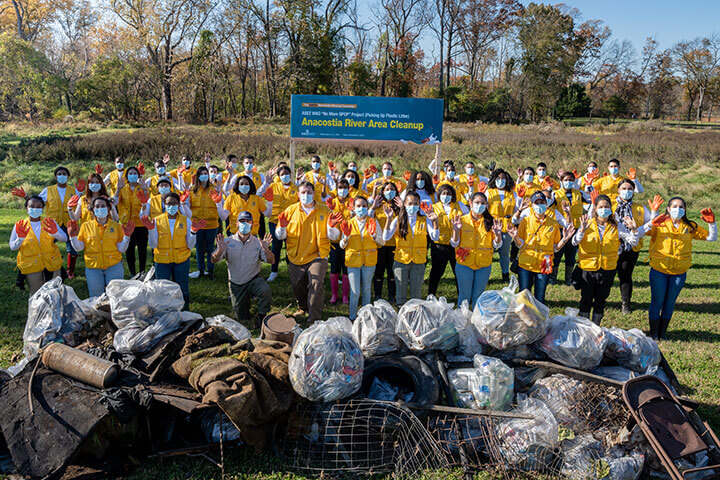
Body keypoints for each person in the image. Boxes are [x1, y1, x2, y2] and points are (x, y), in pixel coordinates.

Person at [640, 199, 716, 339]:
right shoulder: (659, 223)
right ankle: (653, 334)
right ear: (668, 208)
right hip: (659, 271)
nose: (678, 209)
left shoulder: (690, 226)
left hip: (679, 273)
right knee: (657, 302)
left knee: (669, 303)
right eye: (674, 206)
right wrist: (653, 215)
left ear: (685, 210)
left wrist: (712, 224)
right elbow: (640, 232)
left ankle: (663, 334)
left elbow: (711, 238)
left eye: (681, 207)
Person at [274, 181, 342, 321]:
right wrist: (281, 226)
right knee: (297, 286)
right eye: (303, 192)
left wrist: (331, 227)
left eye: (309, 192)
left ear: (314, 193)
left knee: (316, 283)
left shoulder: (325, 210)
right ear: (298, 194)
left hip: (318, 255)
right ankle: (303, 308)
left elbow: (334, 237)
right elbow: (280, 236)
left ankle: (314, 318)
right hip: (296, 256)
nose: (306, 195)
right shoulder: (290, 211)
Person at [573, 195, 638, 325]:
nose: (604, 209)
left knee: (601, 300)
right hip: (588, 268)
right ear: (595, 209)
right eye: (601, 207)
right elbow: (575, 242)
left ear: (611, 209)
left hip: (608, 269)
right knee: (586, 299)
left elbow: (633, 242)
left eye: (606, 207)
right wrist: (581, 230)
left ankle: (596, 327)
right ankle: (584, 327)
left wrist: (634, 229)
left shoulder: (616, 226)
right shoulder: (588, 224)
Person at [508, 191, 575, 304]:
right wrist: (515, 238)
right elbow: (520, 244)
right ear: (532, 205)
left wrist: (565, 239)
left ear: (546, 203)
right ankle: (524, 320)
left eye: (542, 202)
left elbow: (556, 248)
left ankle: (538, 320)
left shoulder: (553, 223)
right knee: (523, 297)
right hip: (526, 264)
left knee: (540, 298)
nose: (539, 205)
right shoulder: (525, 221)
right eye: (536, 203)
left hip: (544, 265)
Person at [143, 193, 206, 310]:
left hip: (181, 260)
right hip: (162, 261)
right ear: (164, 205)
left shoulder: (186, 220)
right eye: (168, 204)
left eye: (174, 203)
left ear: (178, 204)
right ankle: (164, 312)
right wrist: (151, 230)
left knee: (182, 288)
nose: (171, 206)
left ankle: (184, 311)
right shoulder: (157, 221)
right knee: (162, 289)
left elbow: (190, 244)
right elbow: (153, 244)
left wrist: (193, 232)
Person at [211, 211, 274, 328]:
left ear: (252, 224)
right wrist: (219, 250)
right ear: (237, 224)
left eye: (248, 221)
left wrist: (266, 249)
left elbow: (272, 261)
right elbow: (213, 260)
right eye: (242, 221)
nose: (245, 224)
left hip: (253, 279)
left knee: (265, 290)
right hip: (236, 283)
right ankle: (246, 301)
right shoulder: (228, 242)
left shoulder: (258, 243)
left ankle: (262, 315)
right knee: (241, 317)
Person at [382, 191, 439, 305]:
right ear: (404, 205)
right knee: (401, 293)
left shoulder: (424, 220)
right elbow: (386, 237)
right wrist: (388, 219)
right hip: (401, 260)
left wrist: (435, 222)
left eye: (415, 204)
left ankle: (415, 318)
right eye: (410, 204)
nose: (412, 206)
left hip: (418, 261)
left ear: (419, 205)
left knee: (416, 294)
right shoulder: (398, 219)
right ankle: (401, 316)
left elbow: (435, 236)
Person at [69, 197, 133, 297]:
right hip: (93, 267)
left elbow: (122, 249)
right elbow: (79, 248)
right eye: (97, 206)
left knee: (116, 296)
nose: (100, 208)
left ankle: (114, 313)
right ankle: (98, 313)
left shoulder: (116, 226)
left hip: (114, 266)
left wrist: (127, 237)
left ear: (108, 208)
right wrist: (72, 237)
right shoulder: (85, 226)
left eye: (103, 206)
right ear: (92, 209)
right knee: (96, 297)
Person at [451, 192, 503, 307]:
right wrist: (455, 230)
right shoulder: (462, 220)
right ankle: (462, 321)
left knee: (478, 296)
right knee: (464, 295)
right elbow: (454, 243)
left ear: (487, 205)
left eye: (483, 203)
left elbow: (497, 245)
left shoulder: (491, 222)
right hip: (465, 263)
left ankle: (476, 320)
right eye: (477, 202)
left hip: (483, 264)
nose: (479, 205)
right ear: (470, 203)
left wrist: (498, 234)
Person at [615, 180, 659, 313]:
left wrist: (654, 212)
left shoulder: (640, 208)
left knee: (625, 275)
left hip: (632, 247)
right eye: (624, 188)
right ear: (618, 190)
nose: (627, 191)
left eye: (630, 188)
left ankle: (626, 303)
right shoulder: (610, 205)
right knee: (606, 275)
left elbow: (651, 223)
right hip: (611, 246)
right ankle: (599, 300)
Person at [33, 166, 84, 278]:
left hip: (69, 222)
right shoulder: (48, 190)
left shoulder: (73, 190)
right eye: (59, 174)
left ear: (67, 176)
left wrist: (80, 192)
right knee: (47, 245)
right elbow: (37, 201)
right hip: (53, 224)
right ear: (56, 176)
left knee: (72, 247)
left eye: (64, 174)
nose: (62, 176)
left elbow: (82, 202)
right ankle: (47, 266)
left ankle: (70, 271)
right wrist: (26, 197)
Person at [339, 197, 385, 319]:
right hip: (353, 261)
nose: (361, 209)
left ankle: (365, 317)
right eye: (358, 206)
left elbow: (382, 242)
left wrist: (374, 235)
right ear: (353, 208)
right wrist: (346, 238)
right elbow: (342, 245)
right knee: (355, 292)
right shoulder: (348, 223)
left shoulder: (373, 222)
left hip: (369, 261)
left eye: (364, 206)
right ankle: (352, 316)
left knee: (366, 289)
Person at [10, 195, 66, 295]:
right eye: (32, 206)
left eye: (38, 207)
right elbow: (12, 247)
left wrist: (55, 233)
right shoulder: (20, 224)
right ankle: (36, 311)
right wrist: (20, 239)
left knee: (55, 293)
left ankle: (55, 311)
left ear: (43, 208)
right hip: (31, 265)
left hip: (52, 263)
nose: (35, 209)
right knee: (36, 294)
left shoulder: (49, 222)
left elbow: (64, 238)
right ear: (26, 208)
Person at [429, 183, 467, 296]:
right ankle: (431, 295)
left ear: (453, 195)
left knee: (459, 273)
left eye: (448, 194)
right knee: (436, 272)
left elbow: (468, 219)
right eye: (444, 193)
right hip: (439, 245)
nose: (446, 196)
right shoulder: (434, 207)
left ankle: (462, 296)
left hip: (456, 245)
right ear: (439, 195)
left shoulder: (460, 206)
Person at [187, 166, 224, 279]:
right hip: (197, 224)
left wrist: (219, 194)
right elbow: (188, 206)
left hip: (211, 224)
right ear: (198, 176)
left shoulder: (214, 189)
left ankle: (211, 269)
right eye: (201, 173)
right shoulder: (193, 190)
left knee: (210, 248)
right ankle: (201, 270)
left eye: (205, 173)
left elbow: (220, 204)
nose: (204, 175)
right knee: (199, 248)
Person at [551, 171, 587, 285]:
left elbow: (592, 201)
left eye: (571, 180)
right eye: (566, 180)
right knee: (557, 253)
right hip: (560, 228)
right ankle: (553, 277)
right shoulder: (555, 194)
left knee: (571, 254)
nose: (568, 182)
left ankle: (569, 278)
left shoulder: (579, 193)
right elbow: (548, 205)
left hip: (575, 228)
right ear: (561, 181)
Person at [370, 181, 401, 301]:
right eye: (387, 189)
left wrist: (402, 207)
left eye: (392, 189)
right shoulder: (378, 206)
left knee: (391, 271)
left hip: (394, 244)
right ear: (382, 192)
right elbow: (368, 217)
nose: (389, 192)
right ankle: (377, 294)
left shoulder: (398, 207)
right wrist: (373, 206)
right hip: (380, 244)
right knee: (379, 270)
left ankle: (391, 295)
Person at [267, 165, 298, 282]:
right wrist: (266, 183)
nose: (285, 176)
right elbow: (259, 194)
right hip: (275, 221)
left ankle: (292, 271)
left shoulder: (295, 188)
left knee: (290, 246)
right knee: (276, 246)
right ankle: (274, 271)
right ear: (278, 177)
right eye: (282, 174)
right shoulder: (273, 186)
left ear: (290, 174)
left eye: (287, 173)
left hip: (291, 222)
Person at [116, 166, 149, 276]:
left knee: (142, 249)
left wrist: (145, 189)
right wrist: (118, 189)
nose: (133, 175)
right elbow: (115, 202)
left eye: (135, 173)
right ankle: (132, 273)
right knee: (129, 250)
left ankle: (142, 271)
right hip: (127, 224)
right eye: (130, 173)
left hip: (141, 224)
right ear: (127, 176)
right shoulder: (123, 189)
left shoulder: (142, 187)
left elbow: (147, 202)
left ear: (138, 176)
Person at [326, 178, 353, 304]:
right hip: (335, 241)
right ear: (336, 189)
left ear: (349, 189)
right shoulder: (333, 202)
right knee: (334, 268)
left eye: (345, 187)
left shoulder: (351, 202)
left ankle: (345, 295)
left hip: (348, 241)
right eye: (340, 187)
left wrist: (353, 211)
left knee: (346, 268)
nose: (342, 190)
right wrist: (330, 209)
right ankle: (334, 294)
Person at [486, 168, 516, 282]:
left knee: (504, 253)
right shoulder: (489, 192)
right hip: (492, 227)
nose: (501, 180)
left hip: (507, 227)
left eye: (503, 178)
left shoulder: (512, 194)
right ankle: (485, 274)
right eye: (498, 178)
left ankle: (505, 274)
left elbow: (517, 209)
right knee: (489, 252)